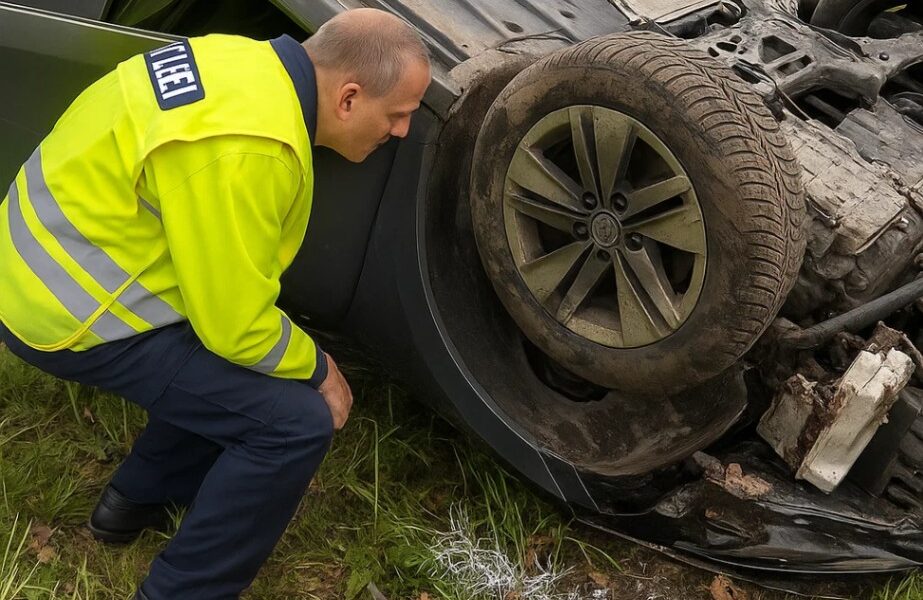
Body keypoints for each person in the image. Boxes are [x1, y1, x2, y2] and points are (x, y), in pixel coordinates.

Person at [0, 8, 431, 599]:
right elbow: (236, 329)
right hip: (71, 308)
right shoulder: (251, 147)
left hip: (43, 268)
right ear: (349, 98)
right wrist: (318, 369)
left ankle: (135, 502)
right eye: (399, 114)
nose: (402, 131)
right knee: (292, 422)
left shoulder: (240, 61)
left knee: (239, 372)